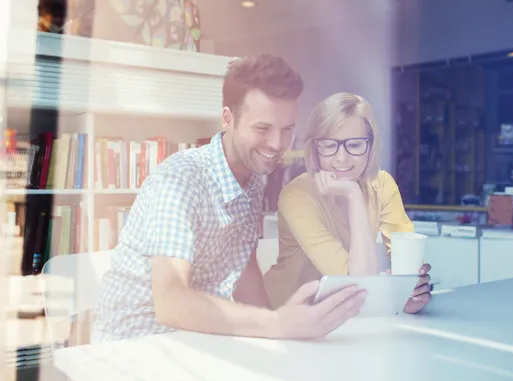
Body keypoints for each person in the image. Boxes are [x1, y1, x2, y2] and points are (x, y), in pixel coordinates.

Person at [92, 55, 366, 343]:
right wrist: (275, 324)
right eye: (262, 128)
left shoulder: (254, 177)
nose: (276, 144)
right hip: (134, 342)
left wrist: (282, 334)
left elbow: (243, 268)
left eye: (286, 130)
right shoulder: (180, 181)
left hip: (197, 337)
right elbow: (169, 302)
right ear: (228, 119)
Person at [263, 92, 432, 312]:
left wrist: (412, 292)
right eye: (329, 145)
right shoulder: (297, 195)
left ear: (370, 146)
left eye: (354, 145)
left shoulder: (382, 185)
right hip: (286, 317)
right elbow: (359, 282)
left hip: (347, 317)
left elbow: (407, 262)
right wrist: (353, 195)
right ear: (315, 148)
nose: (341, 158)